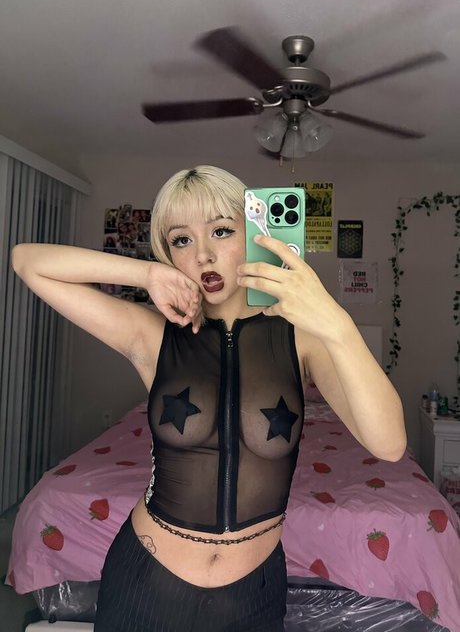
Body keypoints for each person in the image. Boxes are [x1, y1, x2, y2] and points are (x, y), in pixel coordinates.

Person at [11, 165, 406, 632]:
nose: (203, 255)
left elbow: (389, 445)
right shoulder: (155, 335)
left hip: (254, 598)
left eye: (221, 230)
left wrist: (335, 322)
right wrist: (145, 273)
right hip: (145, 585)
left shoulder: (301, 338)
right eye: (181, 240)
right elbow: (27, 261)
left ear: (253, 234)